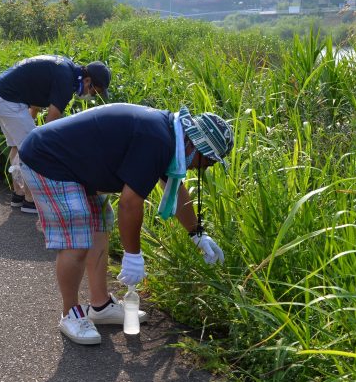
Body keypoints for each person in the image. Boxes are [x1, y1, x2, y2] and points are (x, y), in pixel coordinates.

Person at [18, 103, 234, 345]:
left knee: (100, 224)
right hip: (47, 159)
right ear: (197, 146)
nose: (207, 166)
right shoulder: (158, 140)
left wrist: (197, 233)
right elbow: (130, 204)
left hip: (74, 165)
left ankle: (99, 305)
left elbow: (175, 188)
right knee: (76, 239)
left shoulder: (170, 136)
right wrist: (133, 256)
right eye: (210, 160)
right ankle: (70, 313)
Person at [0, 55, 111, 214]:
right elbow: (51, 123)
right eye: (94, 91)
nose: (91, 96)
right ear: (87, 81)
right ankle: (30, 201)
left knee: (18, 144)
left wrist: (28, 126)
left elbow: (35, 99)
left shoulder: (66, 69)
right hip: (8, 100)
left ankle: (19, 194)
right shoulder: (66, 82)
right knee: (32, 149)